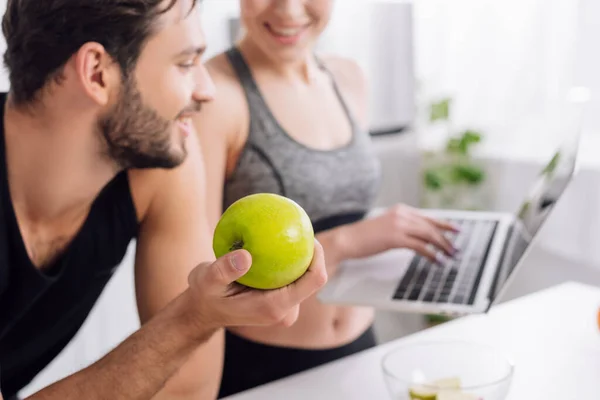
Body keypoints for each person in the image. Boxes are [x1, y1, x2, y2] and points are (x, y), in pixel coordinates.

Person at [0, 1, 328, 399]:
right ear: (97, 72)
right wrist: (192, 318)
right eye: (186, 63)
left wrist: (197, 316)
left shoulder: (160, 160)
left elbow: (187, 391)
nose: (207, 90)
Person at [192, 0, 458, 397]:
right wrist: (349, 241)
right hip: (268, 366)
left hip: (363, 347)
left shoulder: (348, 77)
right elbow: (199, 272)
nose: (289, 10)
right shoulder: (212, 96)